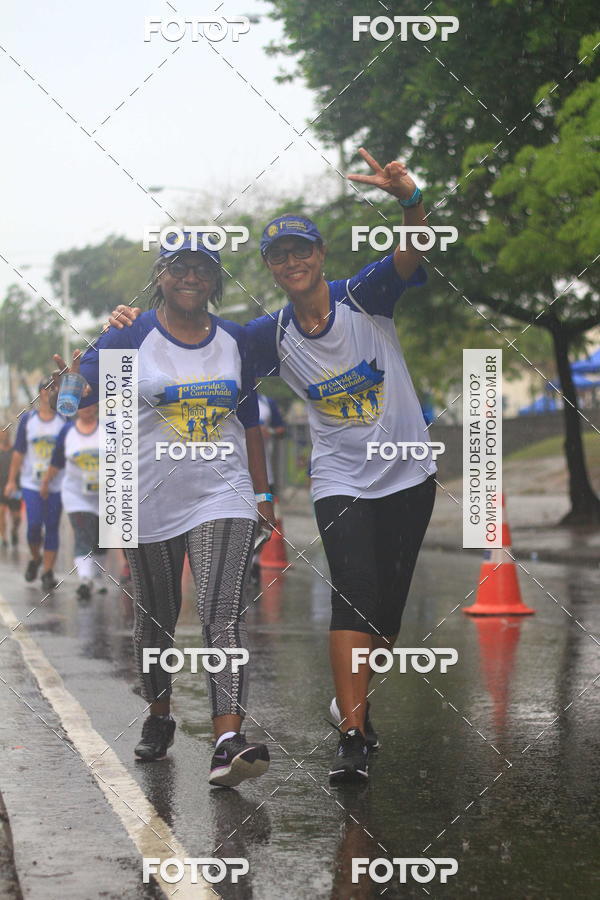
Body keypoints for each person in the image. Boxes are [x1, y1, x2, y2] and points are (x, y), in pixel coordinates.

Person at [108, 147, 436, 785]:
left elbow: (411, 252)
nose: (293, 262)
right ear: (267, 266)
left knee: (381, 617)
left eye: (302, 251)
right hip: (336, 481)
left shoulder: (362, 296)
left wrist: (408, 200)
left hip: (409, 475)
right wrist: (126, 323)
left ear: (319, 256)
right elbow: (197, 347)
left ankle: (347, 694)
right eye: (279, 255)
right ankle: (346, 733)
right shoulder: (264, 334)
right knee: (347, 598)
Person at [53, 233, 276, 788]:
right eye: (178, 267)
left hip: (222, 493)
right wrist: (82, 361)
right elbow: (67, 399)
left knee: (222, 613)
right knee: (155, 619)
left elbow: (250, 421)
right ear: (160, 276)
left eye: (202, 268)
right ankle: (159, 716)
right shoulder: (129, 334)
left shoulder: (236, 339)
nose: (190, 277)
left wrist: (265, 495)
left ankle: (228, 741)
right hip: (146, 494)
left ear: (215, 280)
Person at [40, 404, 106, 600]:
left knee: (101, 540)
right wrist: (45, 483)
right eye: (83, 405)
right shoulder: (67, 431)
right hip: (76, 496)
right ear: (77, 408)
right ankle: (85, 579)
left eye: (91, 403)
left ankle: (97, 576)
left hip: (104, 496)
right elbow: (57, 461)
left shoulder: (108, 430)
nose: (87, 408)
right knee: (82, 534)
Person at [4, 381, 64, 590]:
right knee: (34, 526)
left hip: (57, 485)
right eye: (48, 389)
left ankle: (47, 571)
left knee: (53, 527)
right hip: (31, 484)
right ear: (41, 392)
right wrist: (11, 480)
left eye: (55, 389)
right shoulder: (28, 420)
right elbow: (19, 453)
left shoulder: (62, 420)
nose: (52, 392)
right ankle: (36, 558)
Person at [0, 428, 22, 547]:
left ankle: (14, 530)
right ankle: (3, 538)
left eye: (5, 435)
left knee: (16, 517)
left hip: (14, 487)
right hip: (1, 487)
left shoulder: (15, 451)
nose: (3, 437)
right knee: (1, 512)